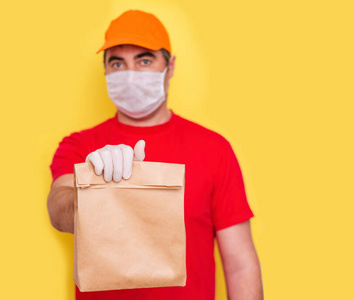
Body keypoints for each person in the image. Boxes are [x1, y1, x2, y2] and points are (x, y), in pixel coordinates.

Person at [47, 9, 263, 300]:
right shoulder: (79, 145)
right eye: (117, 63)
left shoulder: (214, 149)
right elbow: (58, 212)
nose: (130, 74)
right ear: (106, 71)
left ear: (169, 67)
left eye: (144, 60)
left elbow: (240, 266)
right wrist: (93, 185)